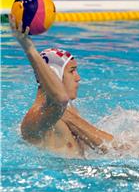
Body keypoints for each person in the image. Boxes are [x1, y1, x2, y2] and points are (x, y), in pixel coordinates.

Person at [10, 16, 123, 158]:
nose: (78, 77)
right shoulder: (36, 120)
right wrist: (29, 48)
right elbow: (60, 98)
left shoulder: (68, 112)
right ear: (54, 75)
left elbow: (110, 149)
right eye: (71, 71)